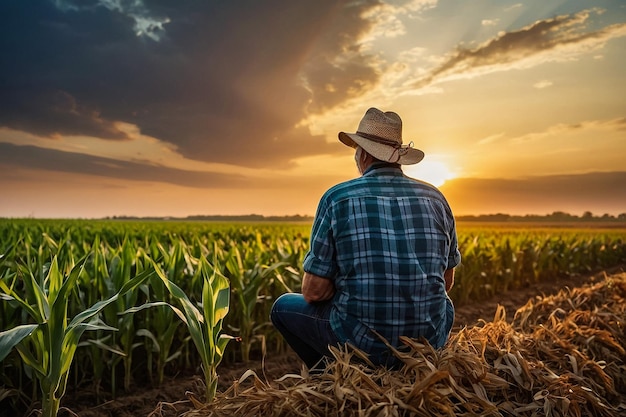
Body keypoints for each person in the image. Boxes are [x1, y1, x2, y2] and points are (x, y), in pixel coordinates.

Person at [270, 107, 461, 369]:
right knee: (445, 305)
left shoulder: (337, 198)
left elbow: (313, 292)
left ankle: (328, 379)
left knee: (281, 307)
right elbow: (446, 282)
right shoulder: (436, 199)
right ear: (398, 157)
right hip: (427, 343)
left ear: (363, 154)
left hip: (362, 344)